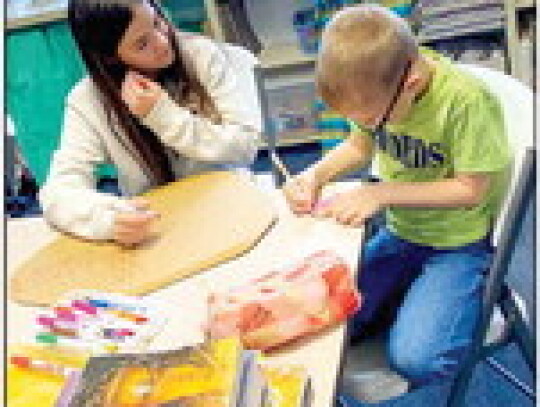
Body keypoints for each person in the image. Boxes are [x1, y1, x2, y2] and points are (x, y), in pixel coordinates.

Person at [284, 5, 510, 386]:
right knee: (320, 321)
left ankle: (440, 296)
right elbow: (359, 146)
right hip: (402, 234)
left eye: (373, 119)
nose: (369, 126)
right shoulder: (380, 92)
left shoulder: (466, 102)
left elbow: (471, 189)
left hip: (457, 245)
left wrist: (383, 193)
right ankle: (408, 297)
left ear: (413, 81)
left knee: (417, 359)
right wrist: (315, 174)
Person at [40, 0, 260, 246]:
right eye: (142, 43)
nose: (163, 42)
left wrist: (161, 115)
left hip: (230, 203)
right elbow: (58, 192)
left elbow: (245, 147)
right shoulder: (88, 100)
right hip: (158, 227)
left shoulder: (200, 56)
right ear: (111, 57)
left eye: (158, 22)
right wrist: (107, 221)